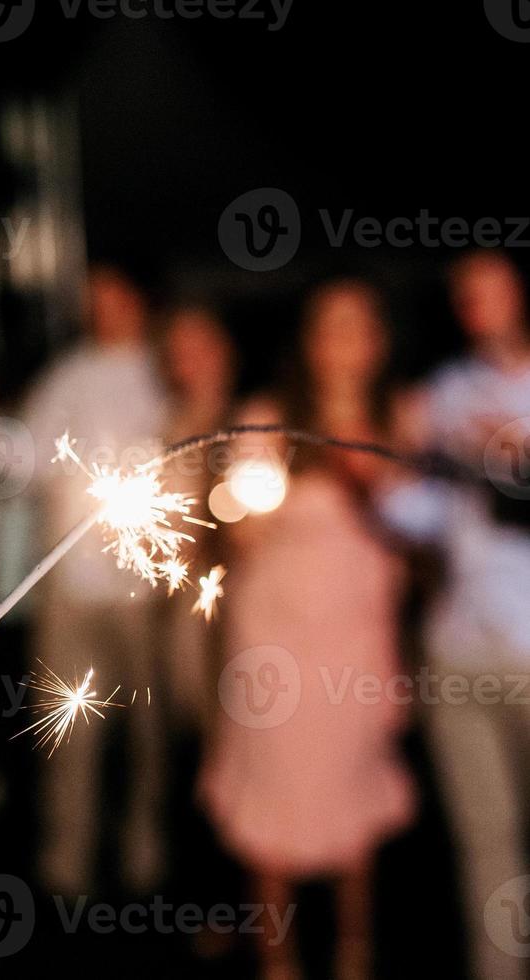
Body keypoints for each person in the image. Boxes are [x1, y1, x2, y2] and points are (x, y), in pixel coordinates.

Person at [199, 280, 415, 980]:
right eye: (327, 327)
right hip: (275, 642)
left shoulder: (405, 422)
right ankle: (278, 957)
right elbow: (238, 534)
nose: (341, 342)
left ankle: (356, 950)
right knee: (274, 797)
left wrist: (375, 479)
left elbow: (423, 537)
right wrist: (242, 510)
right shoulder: (267, 422)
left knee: (350, 793)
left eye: (355, 326)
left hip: (354, 641)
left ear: (378, 340)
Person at [381, 251, 530, 980]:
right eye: (463, 294)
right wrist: (395, 466)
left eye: (489, 289)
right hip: (461, 645)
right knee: (484, 840)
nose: (475, 304)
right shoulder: (446, 390)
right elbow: (421, 516)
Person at [20, 265, 168, 896]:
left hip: (150, 592)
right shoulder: (67, 376)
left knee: (149, 732)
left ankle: (146, 855)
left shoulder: (165, 372)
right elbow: (23, 456)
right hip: (73, 588)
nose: (102, 309)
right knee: (68, 727)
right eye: (93, 299)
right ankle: (66, 864)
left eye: (114, 296)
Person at [158, 304, 238, 733]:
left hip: (248, 593)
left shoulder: (254, 419)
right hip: (190, 597)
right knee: (195, 711)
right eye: (178, 352)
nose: (190, 362)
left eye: (199, 348)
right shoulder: (167, 432)